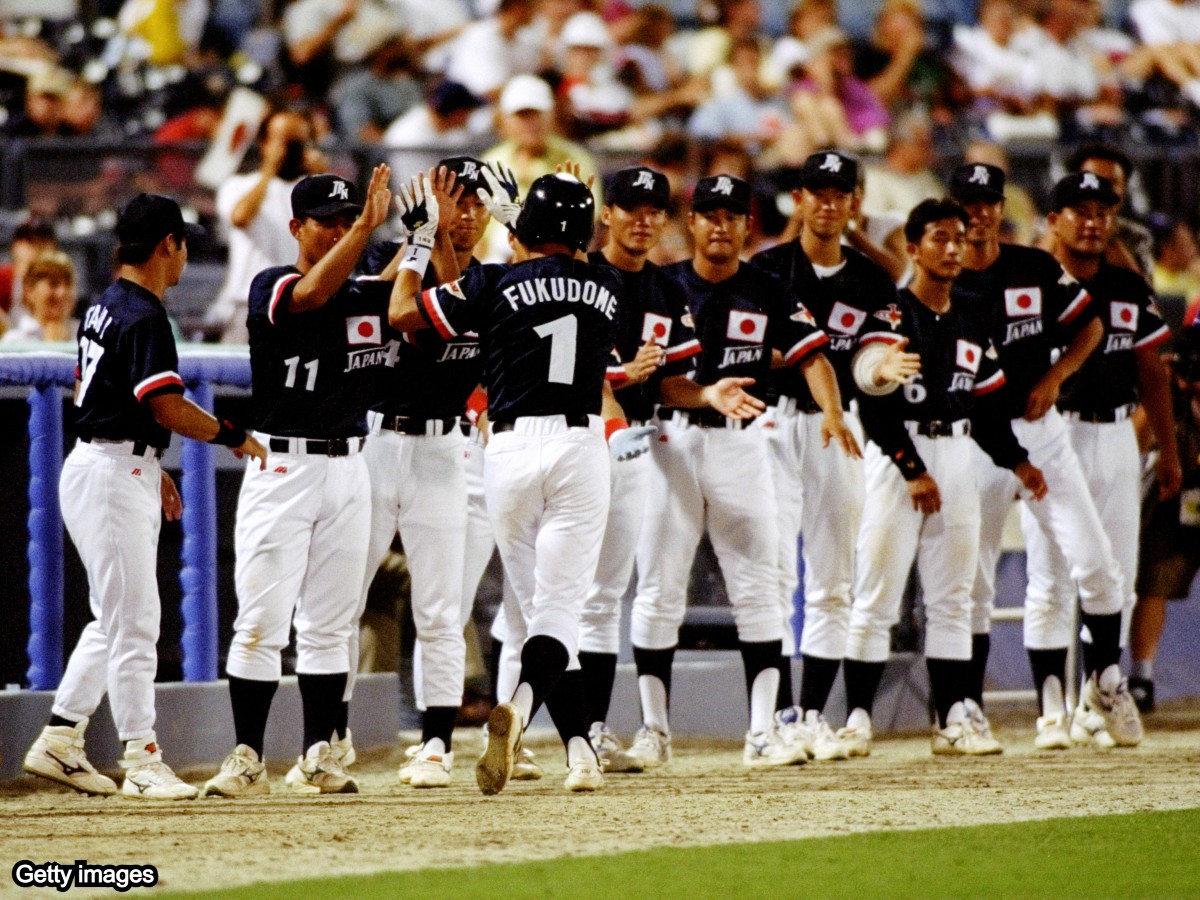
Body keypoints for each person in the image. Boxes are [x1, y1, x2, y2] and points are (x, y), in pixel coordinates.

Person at [388, 168, 625, 795]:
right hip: (579, 445)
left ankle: (580, 755)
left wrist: (419, 245)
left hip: (508, 450)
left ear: (527, 229)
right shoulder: (606, 280)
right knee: (556, 617)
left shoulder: (491, 281)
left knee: (540, 614)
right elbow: (575, 266)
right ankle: (519, 708)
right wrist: (528, 213)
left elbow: (402, 313)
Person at [22, 194, 266, 799]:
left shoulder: (105, 304)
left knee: (116, 618)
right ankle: (142, 757)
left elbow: (99, 394)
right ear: (168, 245)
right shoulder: (146, 314)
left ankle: (60, 738)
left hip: (107, 461)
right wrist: (231, 435)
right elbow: (165, 404)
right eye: (182, 242)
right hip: (111, 470)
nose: (185, 253)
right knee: (133, 623)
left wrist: (149, 458)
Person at [626, 174, 855, 771]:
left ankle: (761, 732)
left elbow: (813, 355)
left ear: (746, 225)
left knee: (760, 589)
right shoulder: (661, 283)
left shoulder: (768, 288)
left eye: (732, 215)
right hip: (669, 440)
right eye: (710, 214)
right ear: (693, 223)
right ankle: (654, 730)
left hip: (743, 443)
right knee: (657, 588)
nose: (721, 224)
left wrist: (831, 411)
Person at [203, 167, 396, 798]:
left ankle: (319, 756)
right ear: (297, 228)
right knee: (261, 619)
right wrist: (368, 228)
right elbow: (311, 296)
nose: (342, 230)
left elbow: (398, 295)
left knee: (330, 624)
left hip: (349, 464)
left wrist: (424, 237)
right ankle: (247, 757)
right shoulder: (272, 284)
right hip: (281, 464)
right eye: (329, 222)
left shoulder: (361, 288)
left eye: (349, 220)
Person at [844, 198, 1047, 757]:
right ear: (912, 247)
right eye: (939, 238)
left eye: (959, 238)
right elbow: (872, 397)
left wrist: (1017, 460)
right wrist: (912, 468)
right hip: (900, 455)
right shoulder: (891, 314)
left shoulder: (971, 317)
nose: (952, 248)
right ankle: (857, 716)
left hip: (958, 450)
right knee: (877, 592)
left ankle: (953, 716)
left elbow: (985, 408)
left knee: (953, 597)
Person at [949, 162, 1138, 751]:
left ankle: (1105, 683)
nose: (979, 213)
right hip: (973, 436)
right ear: (952, 210)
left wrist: (1056, 376)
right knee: (970, 579)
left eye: (989, 202)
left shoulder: (1032, 266)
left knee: (1097, 563)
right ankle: (967, 710)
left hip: (1040, 429)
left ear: (1001, 210)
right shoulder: (940, 275)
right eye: (969, 203)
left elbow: (1090, 324)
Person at [582, 165, 764, 772]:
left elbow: (671, 383)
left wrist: (707, 394)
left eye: (652, 209)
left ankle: (594, 731)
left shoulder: (664, 289)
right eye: (629, 207)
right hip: (574, 439)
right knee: (564, 596)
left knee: (607, 595)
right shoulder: (580, 273)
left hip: (635, 443)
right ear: (605, 214)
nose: (642, 219)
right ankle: (556, 729)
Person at [749, 150, 915, 759]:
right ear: (799, 199)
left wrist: (879, 371)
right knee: (771, 574)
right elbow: (741, 352)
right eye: (816, 191)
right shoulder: (764, 270)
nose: (826, 202)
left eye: (838, 192)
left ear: (853, 203)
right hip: (772, 421)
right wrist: (802, 355)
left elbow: (871, 360)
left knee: (832, 577)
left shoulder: (872, 281)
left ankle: (812, 713)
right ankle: (769, 719)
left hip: (839, 425)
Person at [1028, 171, 1177, 746]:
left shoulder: (1126, 286)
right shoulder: (1033, 283)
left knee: (1115, 574)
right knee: (1049, 576)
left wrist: (1165, 447)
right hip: (1051, 430)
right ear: (1054, 220)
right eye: (1078, 210)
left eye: (1102, 212)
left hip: (1117, 433)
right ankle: (1050, 711)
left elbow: (1152, 371)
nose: (1091, 222)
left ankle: (1097, 696)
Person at [355, 158, 489, 788]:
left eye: (472, 204)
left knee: (440, 605)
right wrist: (419, 238)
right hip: (378, 440)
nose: (462, 214)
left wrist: (433, 242)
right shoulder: (393, 252)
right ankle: (324, 741)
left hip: (443, 447)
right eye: (451, 201)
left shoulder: (490, 283)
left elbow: (448, 300)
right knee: (344, 595)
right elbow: (381, 307)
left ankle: (435, 746)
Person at [207, 111, 324, 343]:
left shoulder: (312, 189)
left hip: (298, 302)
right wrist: (269, 168)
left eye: (298, 143)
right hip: (248, 302)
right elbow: (240, 217)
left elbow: (335, 237)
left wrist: (320, 178)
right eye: (285, 142)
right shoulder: (239, 185)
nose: (291, 150)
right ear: (265, 144)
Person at [1, 250, 78, 343]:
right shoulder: (14, 340)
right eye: (53, 284)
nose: (62, 292)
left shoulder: (88, 334)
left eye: (68, 284)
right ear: (30, 291)